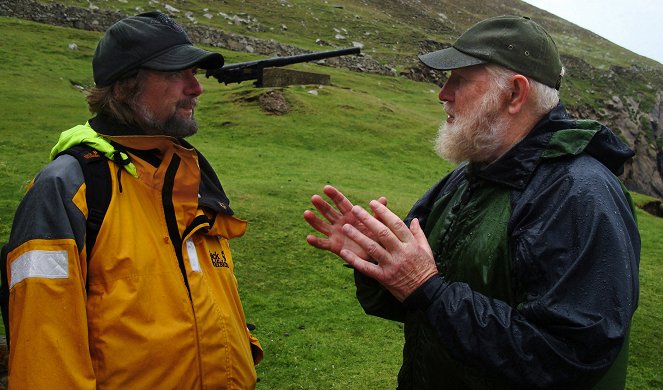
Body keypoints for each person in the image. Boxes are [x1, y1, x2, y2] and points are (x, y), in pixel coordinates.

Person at [304, 15, 640, 389]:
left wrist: (427, 288)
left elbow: (567, 357)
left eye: (459, 79)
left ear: (514, 94)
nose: (442, 93)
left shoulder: (580, 195)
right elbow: (416, 306)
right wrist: (377, 261)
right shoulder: (466, 179)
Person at [3, 11, 262, 388]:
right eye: (177, 74)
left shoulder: (188, 176)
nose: (196, 88)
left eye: (194, 73)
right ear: (124, 87)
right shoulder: (68, 189)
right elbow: (45, 357)